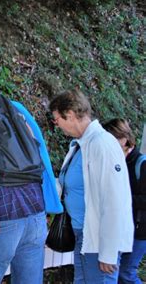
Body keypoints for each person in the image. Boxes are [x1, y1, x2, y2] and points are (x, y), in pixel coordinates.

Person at [49, 90, 133, 283]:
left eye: (56, 120)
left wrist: (109, 251)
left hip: (100, 240)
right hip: (84, 234)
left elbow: (115, 200)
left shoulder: (102, 144)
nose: (57, 125)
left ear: (69, 115)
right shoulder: (81, 144)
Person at [104, 118, 146, 284]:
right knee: (117, 272)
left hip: (139, 229)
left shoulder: (140, 163)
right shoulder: (115, 160)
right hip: (120, 227)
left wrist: (123, 199)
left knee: (125, 274)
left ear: (123, 138)